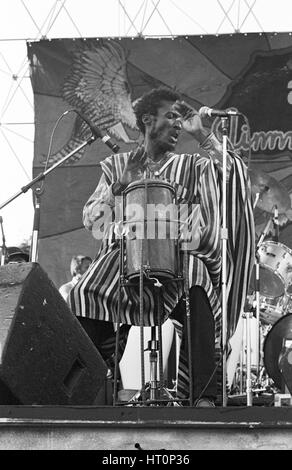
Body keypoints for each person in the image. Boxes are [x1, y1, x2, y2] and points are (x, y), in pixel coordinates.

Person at [68, 87, 255, 407]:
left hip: (181, 258)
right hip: (126, 258)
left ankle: (203, 396)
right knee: (83, 292)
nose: (179, 124)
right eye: (171, 117)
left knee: (199, 280)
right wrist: (117, 187)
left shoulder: (192, 166)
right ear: (147, 121)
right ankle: (86, 390)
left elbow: (235, 175)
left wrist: (204, 137)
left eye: (181, 119)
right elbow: (93, 222)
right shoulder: (117, 165)